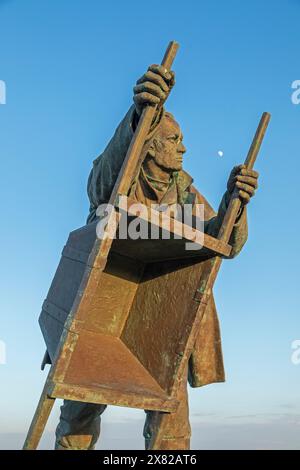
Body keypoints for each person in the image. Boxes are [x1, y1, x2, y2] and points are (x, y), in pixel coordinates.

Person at [55, 64, 259, 450]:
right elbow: (103, 187)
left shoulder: (184, 192)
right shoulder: (119, 179)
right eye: (174, 139)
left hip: (163, 323)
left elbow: (223, 244)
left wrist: (237, 204)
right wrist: (139, 115)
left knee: (170, 422)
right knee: (79, 409)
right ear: (149, 145)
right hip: (101, 315)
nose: (184, 147)